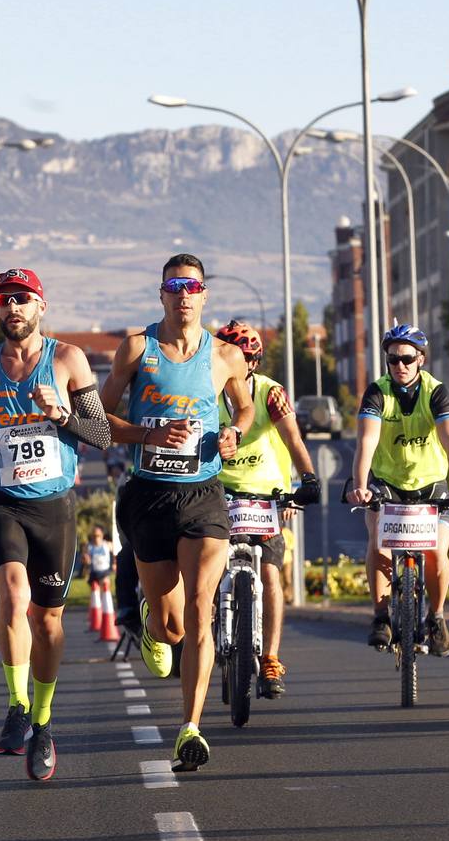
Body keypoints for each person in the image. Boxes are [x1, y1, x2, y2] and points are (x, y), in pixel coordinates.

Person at [100, 253, 252, 772]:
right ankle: (149, 618)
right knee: (170, 628)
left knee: (200, 611)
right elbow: (99, 419)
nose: (184, 294)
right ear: (161, 294)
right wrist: (147, 433)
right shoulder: (137, 350)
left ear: (205, 295)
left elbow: (245, 406)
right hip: (149, 495)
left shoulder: (225, 357)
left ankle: (190, 728)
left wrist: (236, 432)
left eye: (192, 286)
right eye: (174, 285)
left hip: (202, 495)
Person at [0, 267, 110, 780]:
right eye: (3, 301)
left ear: (41, 306)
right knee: (13, 595)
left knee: (47, 621)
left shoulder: (67, 360)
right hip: (3, 502)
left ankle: (43, 723)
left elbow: (103, 434)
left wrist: (64, 415)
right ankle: (18, 706)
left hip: (54, 507)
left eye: (22, 299)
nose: (12, 308)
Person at [346, 324, 449, 657]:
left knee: (435, 554)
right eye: (392, 360)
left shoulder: (436, 392)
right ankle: (380, 616)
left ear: (421, 359)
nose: (399, 366)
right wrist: (360, 487)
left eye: (406, 359)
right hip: (387, 484)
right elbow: (366, 443)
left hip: (431, 485)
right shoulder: (377, 392)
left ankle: (437, 616)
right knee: (378, 544)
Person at [212, 320, 321, 698]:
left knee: (271, 576)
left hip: (266, 495)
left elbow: (292, 437)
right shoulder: (206, 392)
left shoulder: (271, 393)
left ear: (252, 363)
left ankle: (271, 658)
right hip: (219, 490)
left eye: (234, 357)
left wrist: (307, 480)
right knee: (206, 564)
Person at [79, 526, 116, 633]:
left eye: (98, 536)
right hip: (93, 572)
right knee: (95, 595)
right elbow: (84, 560)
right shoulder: (88, 546)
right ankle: (95, 617)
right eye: (94, 536)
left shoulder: (107, 545)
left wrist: (114, 563)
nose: (96, 538)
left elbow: (116, 553)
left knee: (105, 590)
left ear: (102, 535)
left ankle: (108, 615)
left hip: (104, 572)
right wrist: (85, 560)